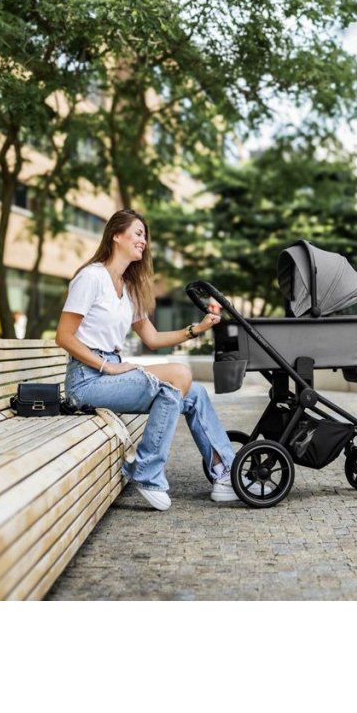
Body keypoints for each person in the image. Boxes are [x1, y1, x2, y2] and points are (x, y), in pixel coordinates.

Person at [55, 208, 237, 511]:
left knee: (194, 393)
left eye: (145, 236)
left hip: (109, 375)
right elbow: (64, 336)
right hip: (86, 381)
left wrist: (196, 329)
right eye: (138, 233)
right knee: (176, 380)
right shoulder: (91, 278)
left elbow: (152, 338)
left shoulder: (128, 288)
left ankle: (225, 474)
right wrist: (108, 366)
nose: (144, 241)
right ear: (116, 235)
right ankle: (147, 472)